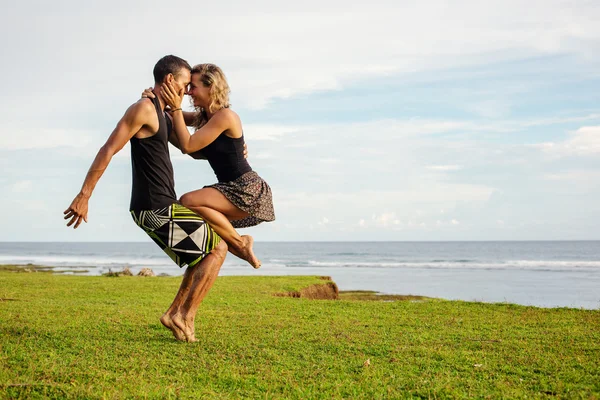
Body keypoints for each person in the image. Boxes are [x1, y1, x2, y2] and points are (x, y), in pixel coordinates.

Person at [63, 55, 226, 343]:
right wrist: (83, 195)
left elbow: (197, 136)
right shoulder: (143, 109)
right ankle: (183, 316)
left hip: (162, 203)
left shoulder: (161, 112)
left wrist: (234, 146)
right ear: (169, 80)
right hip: (154, 206)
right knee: (217, 249)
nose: (188, 91)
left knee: (201, 255)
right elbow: (108, 149)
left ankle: (175, 314)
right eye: (185, 84)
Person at [156, 63, 275, 269]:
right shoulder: (205, 117)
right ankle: (235, 244)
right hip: (229, 188)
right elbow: (173, 123)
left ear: (211, 86)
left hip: (246, 188)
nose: (188, 92)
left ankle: (239, 243)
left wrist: (175, 109)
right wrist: (154, 99)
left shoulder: (225, 116)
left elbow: (188, 144)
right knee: (192, 205)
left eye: (192, 87)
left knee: (188, 200)